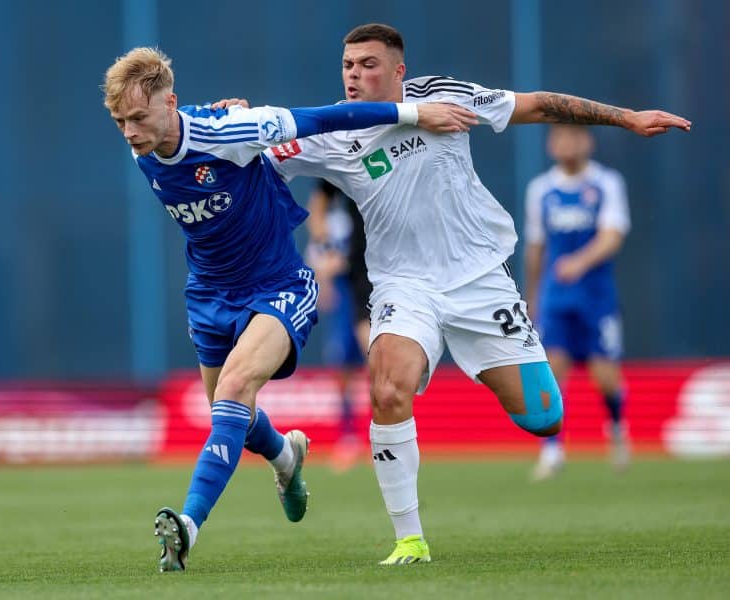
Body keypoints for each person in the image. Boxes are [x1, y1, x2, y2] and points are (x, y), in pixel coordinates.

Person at [250, 23, 689, 566]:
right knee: (387, 388)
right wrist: (234, 119)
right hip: (404, 286)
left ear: (398, 71)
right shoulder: (333, 131)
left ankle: (487, 365)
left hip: (480, 280)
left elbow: (539, 105)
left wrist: (627, 117)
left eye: (368, 64)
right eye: (348, 66)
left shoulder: (443, 96)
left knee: (544, 415)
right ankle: (409, 540)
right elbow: (255, 150)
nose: (355, 76)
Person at [100, 46, 478, 572]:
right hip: (209, 294)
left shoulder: (233, 130)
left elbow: (324, 118)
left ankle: (186, 526)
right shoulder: (147, 147)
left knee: (233, 390)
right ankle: (284, 457)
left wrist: (414, 113)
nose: (129, 131)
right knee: (231, 413)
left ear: (170, 103)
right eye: (119, 120)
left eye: (138, 117)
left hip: (278, 284)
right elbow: (181, 131)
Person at [524, 125, 632, 480]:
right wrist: (532, 298)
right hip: (557, 298)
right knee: (552, 374)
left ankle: (617, 429)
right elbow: (536, 248)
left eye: (574, 137)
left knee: (606, 377)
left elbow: (612, 235)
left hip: (596, 297)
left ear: (588, 141)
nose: (566, 144)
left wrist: (580, 262)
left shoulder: (606, 183)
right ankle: (552, 450)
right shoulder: (541, 189)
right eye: (560, 137)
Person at [304, 180, 372, 470]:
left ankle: (379, 435)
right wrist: (326, 279)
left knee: (376, 362)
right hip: (345, 301)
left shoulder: (363, 215)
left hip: (366, 293)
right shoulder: (331, 222)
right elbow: (320, 264)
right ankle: (348, 437)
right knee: (343, 368)